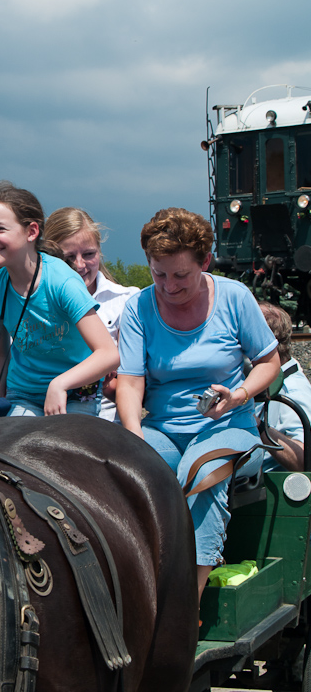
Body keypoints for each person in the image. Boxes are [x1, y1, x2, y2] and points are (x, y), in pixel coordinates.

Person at [116, 207, 280, 601]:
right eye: (159, 274)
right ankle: (128, 584)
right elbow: (130, 381)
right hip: (164, 429)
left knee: (201, 468)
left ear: (204, 262)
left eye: (180, 276)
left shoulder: (234, 297)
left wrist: (238, 395)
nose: (168, 286)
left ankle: (186, 602)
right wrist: (132, 435)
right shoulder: (139, 308)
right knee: (121, 465)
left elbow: (268, 363)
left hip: (230, 428)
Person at [0, 181, 119, 417]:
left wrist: (60, 384)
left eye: (0, 229)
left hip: (75, 392)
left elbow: (108, 353)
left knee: (64, 448)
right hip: (24, 395)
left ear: (31, 231)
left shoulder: (62, 283)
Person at [44, 207, 138, 421]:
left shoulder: (124, 301)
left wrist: (111, 381)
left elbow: (133, 379)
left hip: (106, 417)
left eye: (88, 254)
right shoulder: (36, 304)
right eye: (68, 257)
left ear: (100, 252)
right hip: (45, 410)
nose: (79, 265)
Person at [257, 302, 307, 471]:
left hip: (264, 490)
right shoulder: (268, 381)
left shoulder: (292, 391)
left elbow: (303, 460)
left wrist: (258, 426)